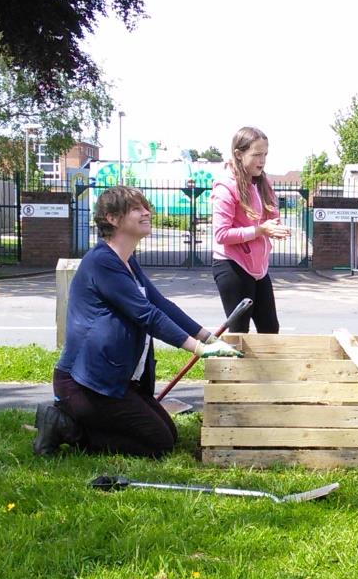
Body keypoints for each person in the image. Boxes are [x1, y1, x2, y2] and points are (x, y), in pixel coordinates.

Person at [33, 185, 243, 457]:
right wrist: (198, 349)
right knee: (158, 444)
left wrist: (209, 337)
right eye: (136, 209)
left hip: (115, 380)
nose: (147, 212)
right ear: (112, 218)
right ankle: (65, 426)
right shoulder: (101, 262)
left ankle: (79, 423)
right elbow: (146, 314)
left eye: (146, 207)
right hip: (83, 383)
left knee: (168, 434)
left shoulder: (127, 262)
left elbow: (162, 305)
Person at [211, 126, 290, 333]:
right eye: (256, 154)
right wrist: (259, 230)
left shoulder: (263, 182)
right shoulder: (225, 186)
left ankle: (267, 367)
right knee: (239, 332)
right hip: (232, 266)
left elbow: (271, 217)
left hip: (259, 269)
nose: (262, 160)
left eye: (265, 154)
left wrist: (276, 227)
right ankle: (234, 366)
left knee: (270, 329)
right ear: (239, 154)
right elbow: (221, 235)